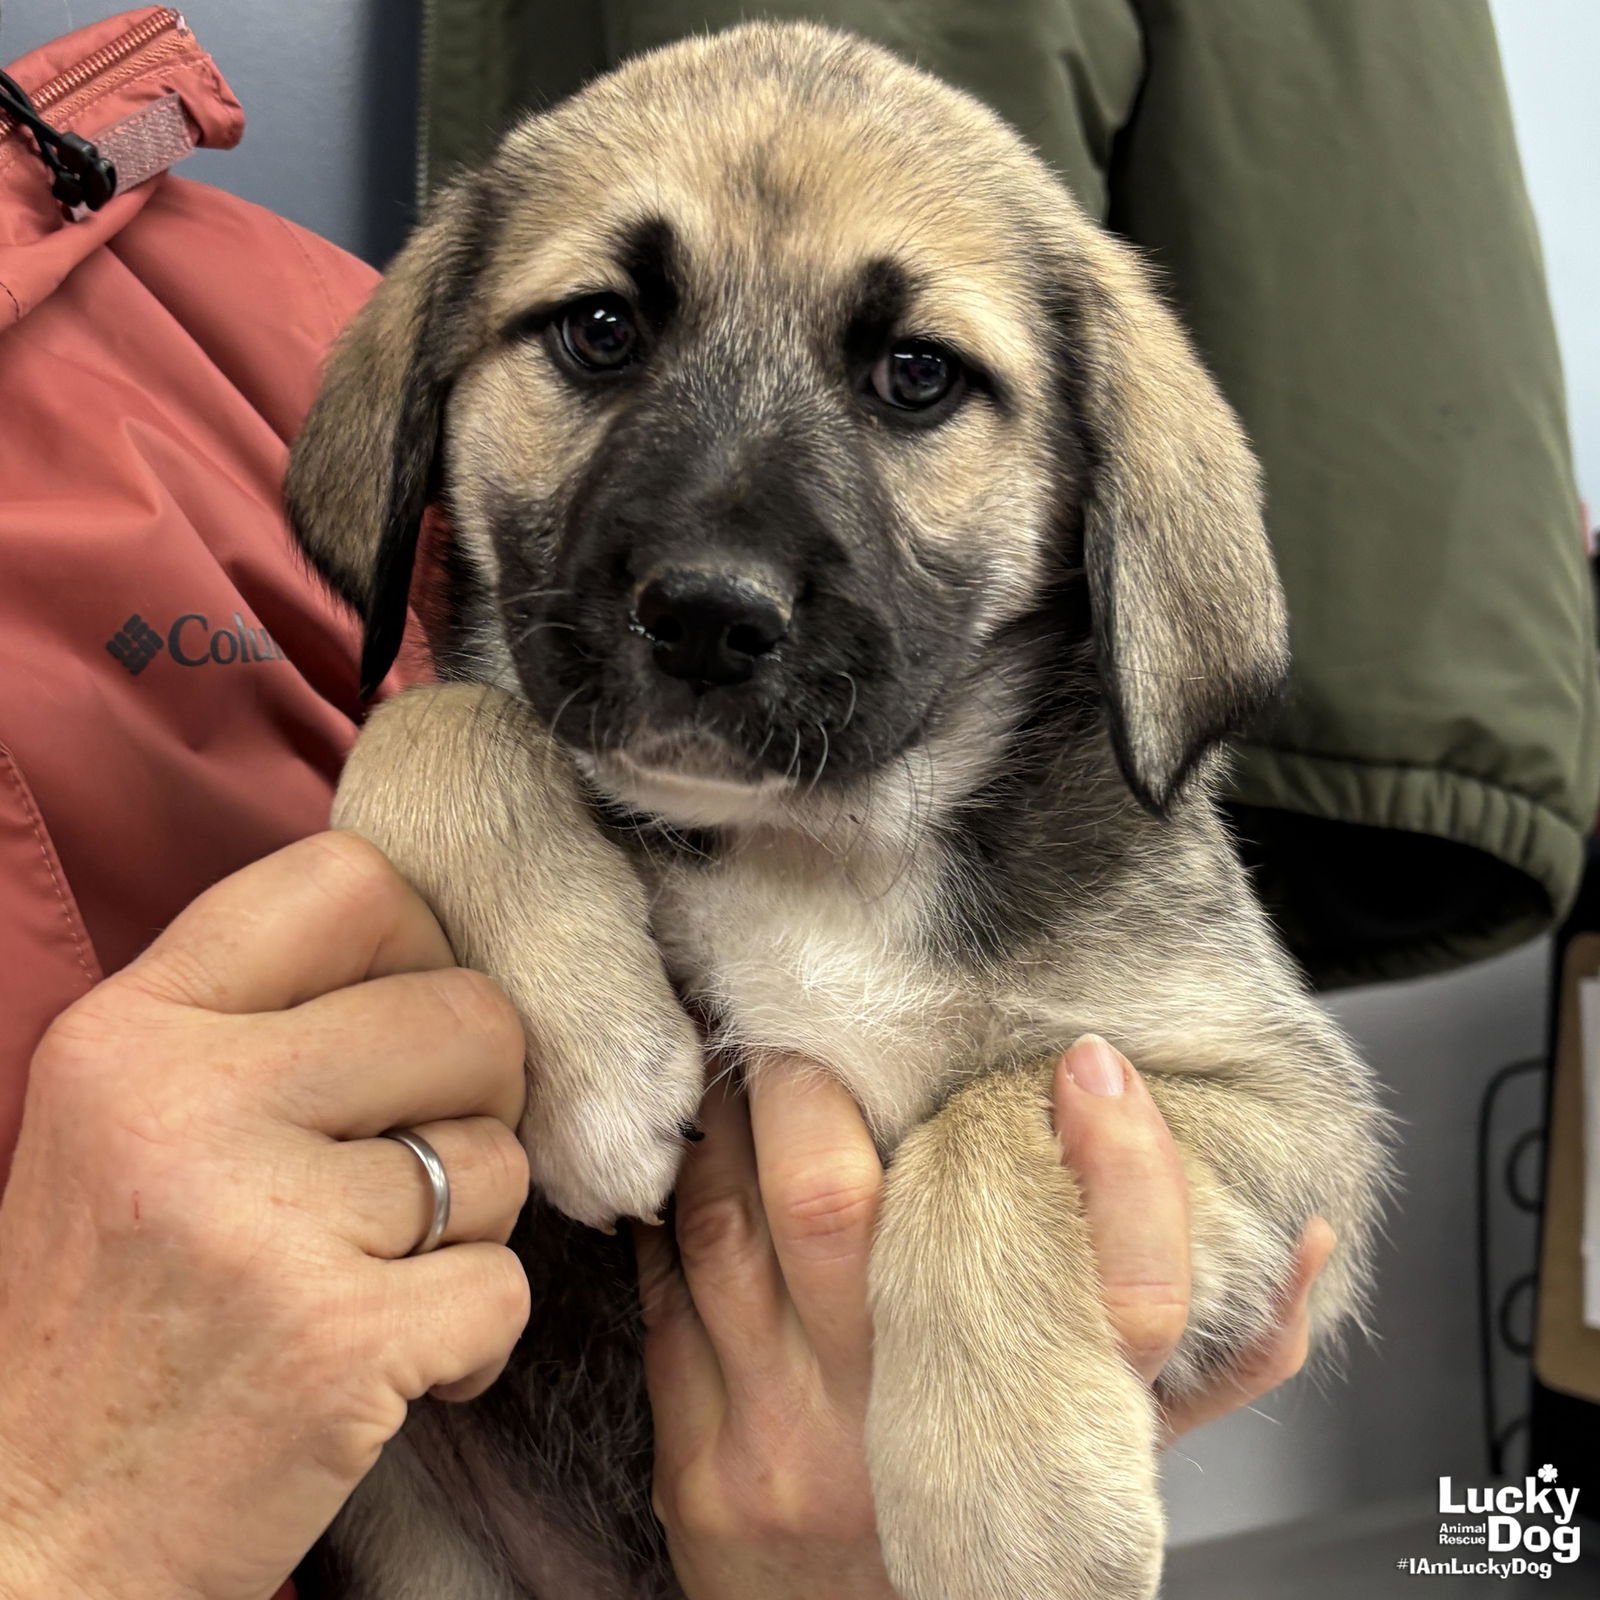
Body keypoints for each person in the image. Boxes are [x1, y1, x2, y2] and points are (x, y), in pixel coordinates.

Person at [0, 10, 1329, 1598]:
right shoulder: (461, 743)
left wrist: (1013, 1232)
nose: (719, 567)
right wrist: (439, 770)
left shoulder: (171, 303)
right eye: (604, 336)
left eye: (918, 378)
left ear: (1094, 483)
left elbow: (1292, 1134)